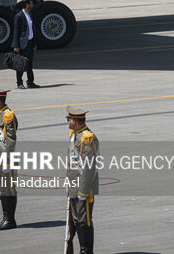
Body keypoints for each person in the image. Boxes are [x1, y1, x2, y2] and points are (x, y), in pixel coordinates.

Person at [66, 106, 99, 254]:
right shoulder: (75, 134)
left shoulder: (86, 138)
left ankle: (86, 250)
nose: (67, 121)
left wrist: (84, 190)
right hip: (74, 185)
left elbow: (89, 167)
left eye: (69, 119)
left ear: (75, 121)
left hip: (82, 187)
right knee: (77, 219)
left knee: (84, 220)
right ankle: (82, 248)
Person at [0, 87, 18, 231]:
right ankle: (5, 217)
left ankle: (9, 219)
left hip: (6, 158)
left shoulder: (8, 115)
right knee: (1, 188)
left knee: (8, 189)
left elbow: (10, 140)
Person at [11, 0, 39, 89]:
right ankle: (19, 83)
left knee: (30, 64)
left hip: (30, 43)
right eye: (31, 4)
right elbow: (16, 32)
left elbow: (32, 30)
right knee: (21, 64)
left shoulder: (30, 14)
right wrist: (16, 46)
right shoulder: (19, 16)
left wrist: (34, 43)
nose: (32, 5)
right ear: (27, 5)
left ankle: (30, 82)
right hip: (22, 44)